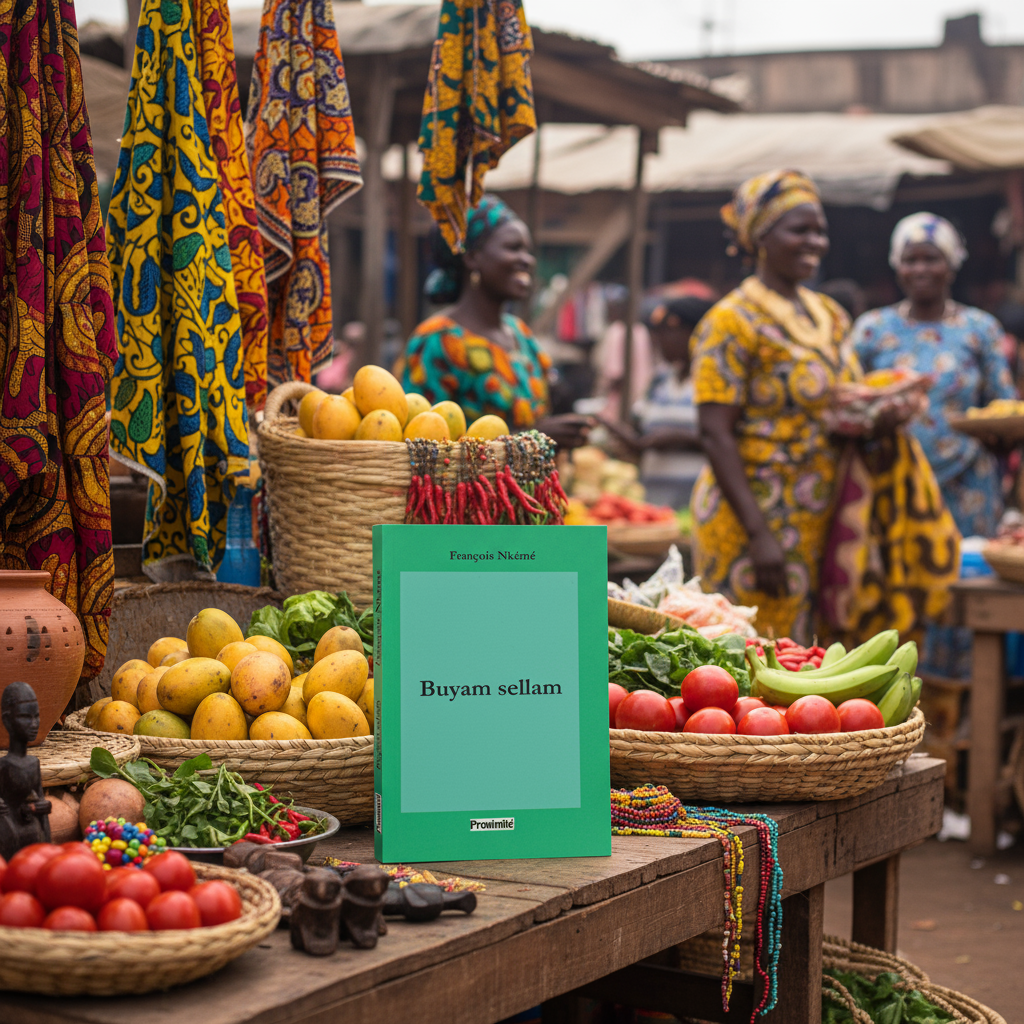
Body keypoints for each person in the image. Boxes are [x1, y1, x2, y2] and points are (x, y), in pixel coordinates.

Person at [689, 170, 857, 643]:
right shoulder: (731, 321)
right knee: (751, 659)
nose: (815, 242)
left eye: (819, 230)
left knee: (809, 662)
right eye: (798, 230)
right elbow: (714, 432)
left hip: (819, 519)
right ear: (761, 237)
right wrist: (759, 534)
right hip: (751, 520)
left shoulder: (831, 315)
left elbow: (847, 399)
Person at [850, 213, 1015, 677]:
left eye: (932, 259)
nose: (921, 269)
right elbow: (848, 400)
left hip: (965, 487)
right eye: (911, 259)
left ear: (952, 265)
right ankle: (890, 695)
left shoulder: (980, 329)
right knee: (892, 587)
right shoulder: (872, 329)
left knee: (961, 590)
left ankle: (959, 708)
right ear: (896, 266)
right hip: (892, 485)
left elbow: (1003, 407)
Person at [400, 195, 589, 449]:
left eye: (528, 251)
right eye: (513, 248)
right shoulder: (437, 341)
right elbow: (421, 447)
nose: (527, 260)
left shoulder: (519, 333)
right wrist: (532, 436)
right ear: (472, 258)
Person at [602, 295, 715, 508]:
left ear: (694, 334)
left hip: (699, 506)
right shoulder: (660, 379)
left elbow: (730, 442)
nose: (660, 340)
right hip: (653, 503)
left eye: (669, 332)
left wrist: (680, 439)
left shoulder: (715, 381)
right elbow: (639, 432)